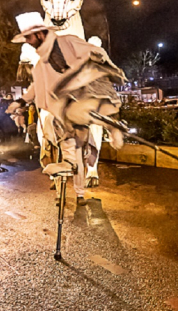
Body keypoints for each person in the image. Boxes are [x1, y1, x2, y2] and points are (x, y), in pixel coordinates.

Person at [8, 12, 125, 206]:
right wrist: (20, 102)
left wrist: (99, 61)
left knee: (82, 122)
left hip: (87, 93)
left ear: (40, 34)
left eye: (29, 37)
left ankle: (112, 130)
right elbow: (35, 87)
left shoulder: (69, 41)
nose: (28, 42)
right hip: (63, 110)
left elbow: (98, 53)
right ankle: (67, 171)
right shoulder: (40, 65)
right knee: (58, 129)